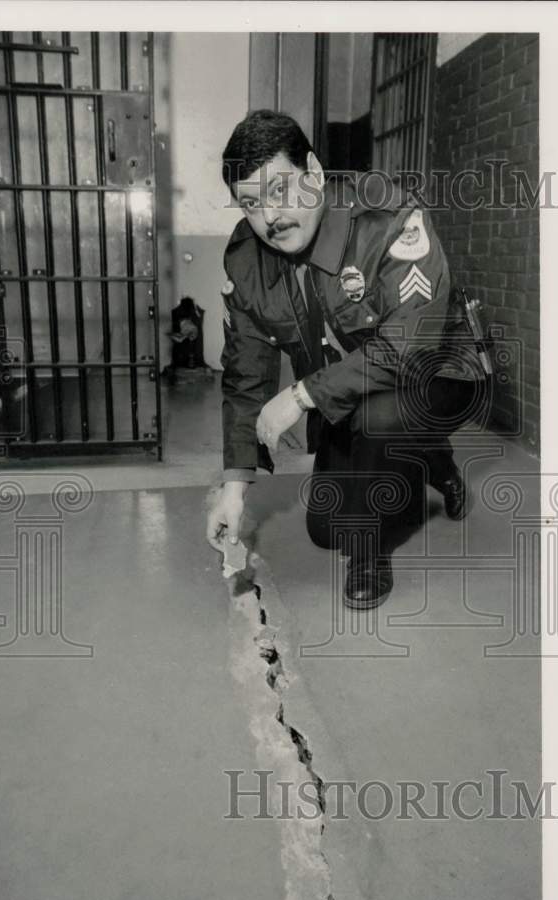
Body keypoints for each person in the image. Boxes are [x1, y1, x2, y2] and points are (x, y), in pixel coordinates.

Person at [206, 110, 486, 610]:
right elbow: (244, 372)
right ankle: (434, 460)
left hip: (440, 375)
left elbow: (409, 348)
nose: (270, 216)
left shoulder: (386, 218)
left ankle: (369, 554)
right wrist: (233, 488)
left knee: (382, 420)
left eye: (281, 190)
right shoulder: (248, 258)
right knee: (325, 527)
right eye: (251, 204)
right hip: (349, 390)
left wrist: (300, 395)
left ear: (314, 172)